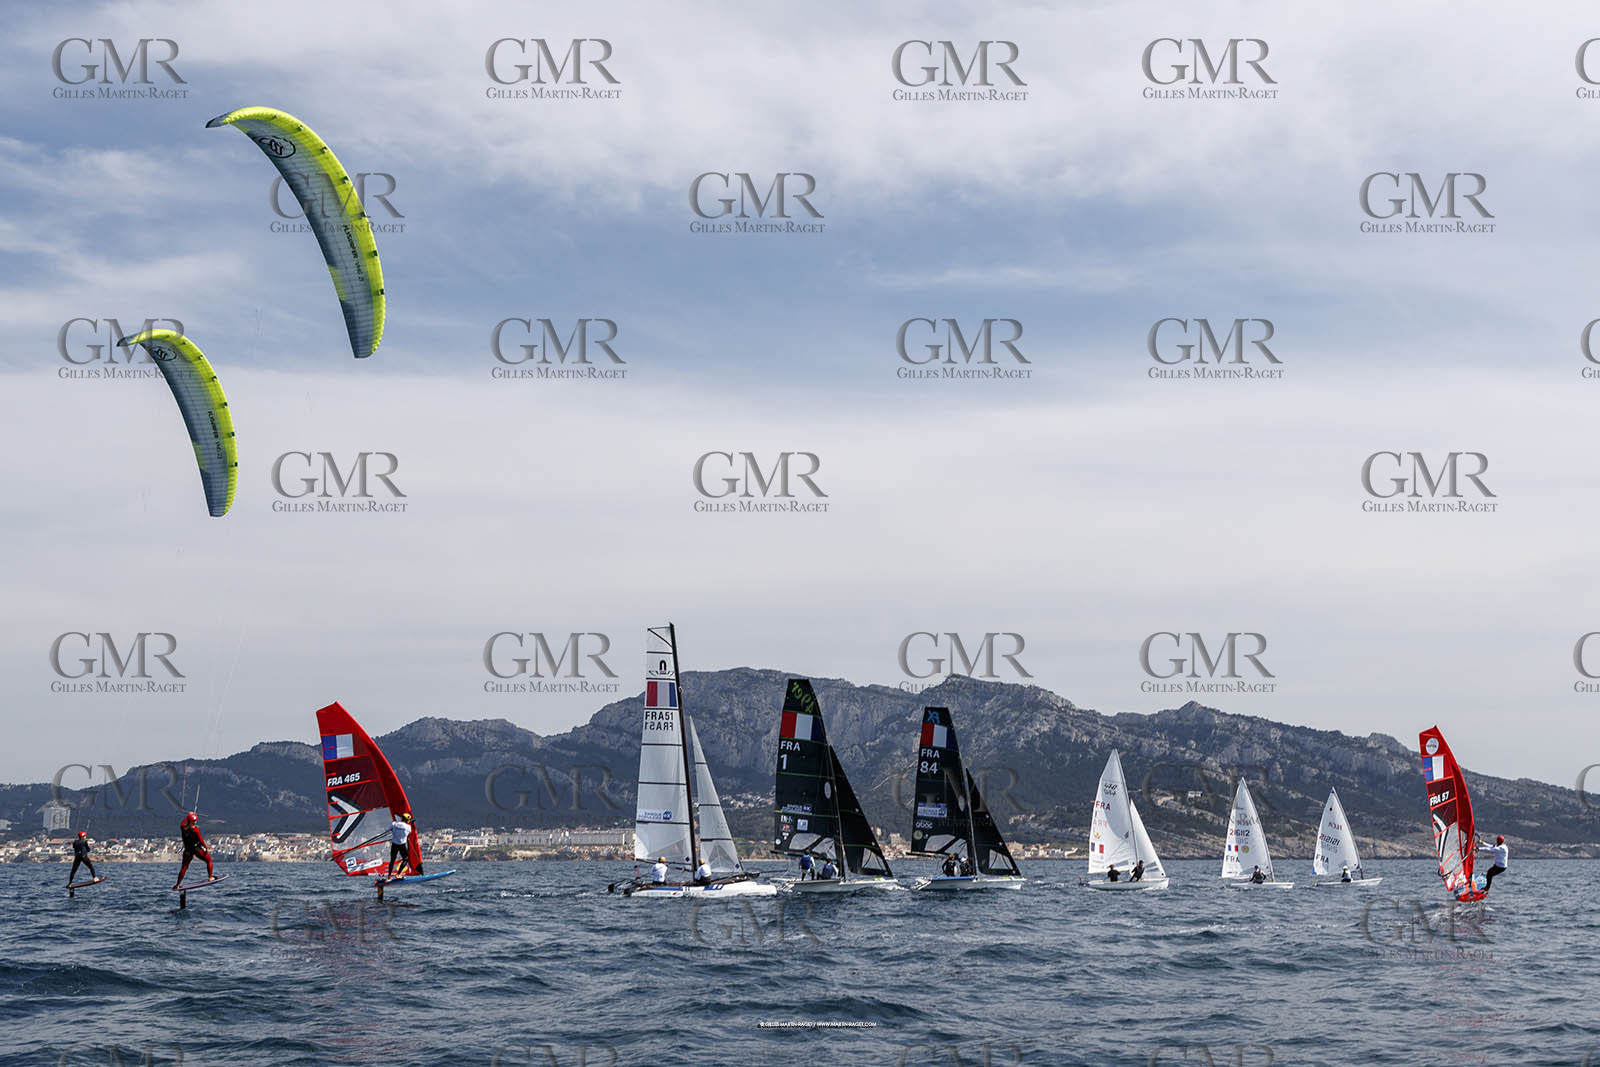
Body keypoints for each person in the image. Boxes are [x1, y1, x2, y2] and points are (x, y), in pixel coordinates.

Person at [174, 813, 213, 888]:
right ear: (193, 822)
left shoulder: (182, 827)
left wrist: (189, 815)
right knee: (209, 861)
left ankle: (177, 885)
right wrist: (205, 848)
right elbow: (201, 840)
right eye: (195, 821)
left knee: (184, 867)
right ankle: (210, 877)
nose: (195, 822)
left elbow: (182, 822)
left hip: (187, 851)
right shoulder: (196, 830)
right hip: (196, 849)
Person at [387, 812, 415, 878]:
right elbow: (409, 832)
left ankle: (389, 875)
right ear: (407, 820)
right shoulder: (408, 827)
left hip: (394, 844)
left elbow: (388, 830)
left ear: (401, 818)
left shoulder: (394, 824)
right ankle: (398, 874)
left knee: (392, 860)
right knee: (406, 859)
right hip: (402, 845)